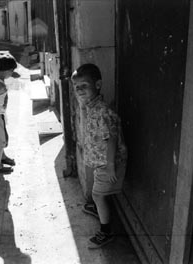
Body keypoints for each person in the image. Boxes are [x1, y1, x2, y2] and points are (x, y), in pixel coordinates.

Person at [71, 63, 127, 249]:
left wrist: (110, 166)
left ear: (97, 84)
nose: (79, 90)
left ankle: (106, 231)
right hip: (101, 162)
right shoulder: (92, 107)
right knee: (98, 194)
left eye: (84, 86)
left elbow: (111, 138)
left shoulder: (102, 111)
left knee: (97, 194)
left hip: (108, 163)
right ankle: (98, 208)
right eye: (76, 87)